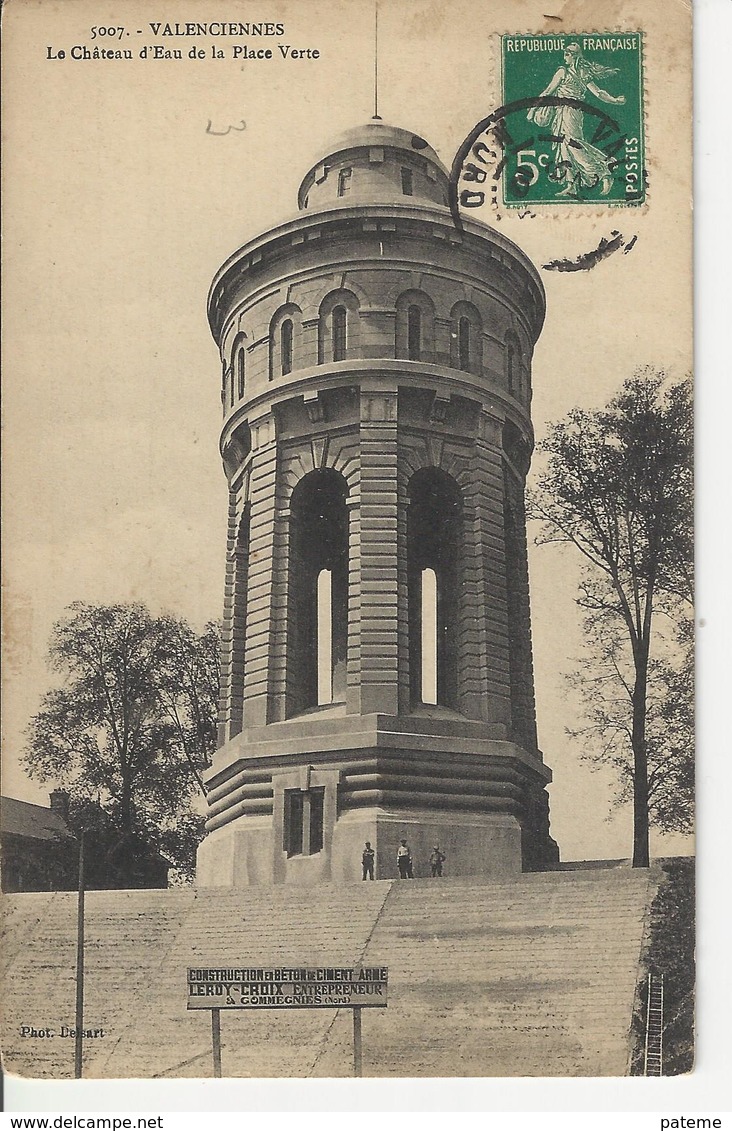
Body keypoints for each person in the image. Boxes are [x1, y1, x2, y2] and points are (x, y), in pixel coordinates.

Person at [527, 42, 626, 197]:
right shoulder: (582, 73)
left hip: (569, 113)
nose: (564, 56)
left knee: (573, 144)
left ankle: (603, 171)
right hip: (566, 112)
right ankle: (571, 185)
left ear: (574, 56)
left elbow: (547, 91)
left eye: (567, 53)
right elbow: (599, 93)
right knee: (564, 146)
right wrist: (614, 100)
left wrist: (532, 110)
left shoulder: (564, 72)